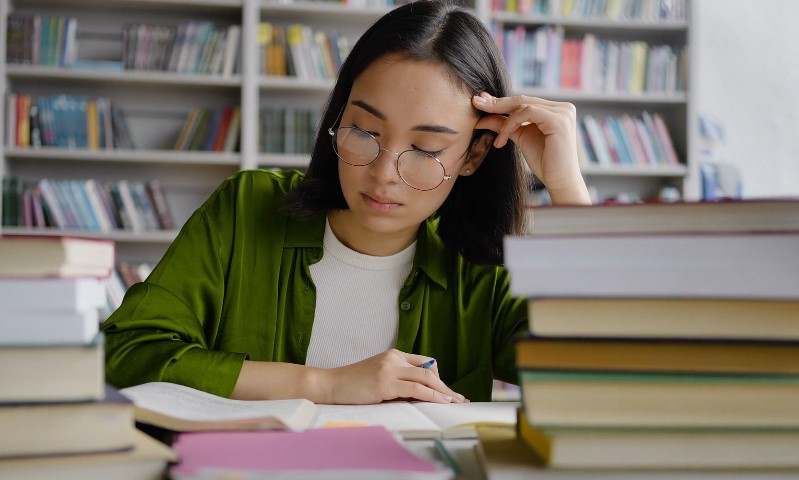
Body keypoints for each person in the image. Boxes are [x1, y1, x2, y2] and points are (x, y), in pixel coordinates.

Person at [103, 0, 591, 404]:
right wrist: (324, 384)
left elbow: (589, 376)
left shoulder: (481, 267)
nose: (383, 173)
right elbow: (126, 353)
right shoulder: (246, 207)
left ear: (473, 155)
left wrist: (568, 191)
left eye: (424, 149)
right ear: (338, 116)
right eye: (363, 130)